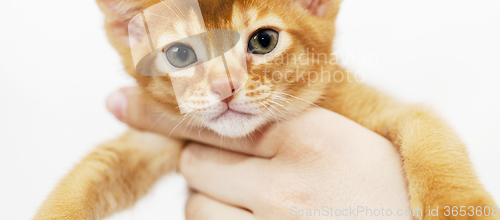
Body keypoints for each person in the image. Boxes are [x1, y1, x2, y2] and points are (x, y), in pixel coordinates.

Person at [106, 87, 412, 219]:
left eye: (262, 41)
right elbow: (118, 166)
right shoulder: (181, 119)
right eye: (183, 55)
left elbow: (419, 128)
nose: (225, 86)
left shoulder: (338, 91)